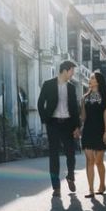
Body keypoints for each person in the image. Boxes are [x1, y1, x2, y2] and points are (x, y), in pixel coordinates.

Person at [37, 60, 81, 196]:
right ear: (65, 71)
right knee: (54, 155)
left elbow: (75, 108)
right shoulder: (48, 84)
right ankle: (56, 187)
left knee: (71, 154)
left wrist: (77, 126)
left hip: (68, 123)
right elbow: (40, 103)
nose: (73, 74)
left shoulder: (71, 87)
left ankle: (70, 177)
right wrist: (45, 120)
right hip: (53, 123)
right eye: (72, 71)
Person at [80, 71, 106, 198]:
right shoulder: (85, 97)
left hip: (100, 131)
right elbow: (83, 117)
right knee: (89, 160)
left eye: (92, 78)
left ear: (98, 81)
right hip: (87, 131)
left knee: (98, 161)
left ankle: (102, 185)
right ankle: (91, 190)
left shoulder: (105, 97)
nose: (89, 79)